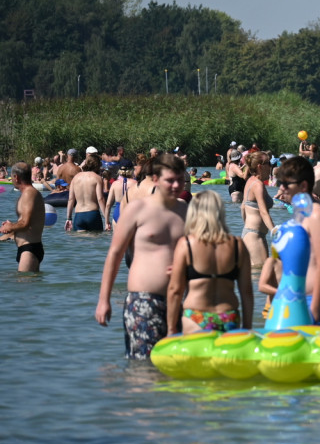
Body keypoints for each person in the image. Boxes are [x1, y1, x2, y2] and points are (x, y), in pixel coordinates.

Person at [94, 153, 188, 359]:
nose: (176, 185)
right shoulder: (138, 209)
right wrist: (104, 300)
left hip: (179, 301)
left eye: (180, 180)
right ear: (155, 179)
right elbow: (115, 254)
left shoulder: (188, 211)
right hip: (143, 300)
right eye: (170, 180)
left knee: (175, 367)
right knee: (143, 369)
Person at [166, 191, 254, 333]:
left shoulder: (186, 244)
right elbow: (247, 291)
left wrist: (171, 329)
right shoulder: (238, 244)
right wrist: (247, 327)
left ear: (194, 213)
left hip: (196, 317)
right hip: (229, 317)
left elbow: (175, 290)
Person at [273, 157, 320, 325]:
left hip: (313, 301)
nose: (281, 188)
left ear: (303, 186)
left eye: (286, 184)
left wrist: (315, 308)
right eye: (280, 183)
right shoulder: (298, 215)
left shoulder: (315, 215)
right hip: (294, 300)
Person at [1, 162, 46, 271]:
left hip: (29, 249)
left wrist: (10, 227)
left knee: (21, 284)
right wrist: (11, 225)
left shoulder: (29, 194)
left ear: (16, 177)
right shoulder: (27, 194)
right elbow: (25, 221)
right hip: (27, 248)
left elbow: (25, 224)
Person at [241, 151, 274, 269]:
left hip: (253, 234)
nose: (271, 166)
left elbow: (243, 207)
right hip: (254, 236)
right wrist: (274, 231)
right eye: (268, 163)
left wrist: (247, 228)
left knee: (259, 275)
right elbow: (263, 212)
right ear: (260, 166)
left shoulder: (251, 181)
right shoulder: (258, 185)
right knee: (261, 274)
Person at [104, 165, 136, 231]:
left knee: (116, 240)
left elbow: (108, 205)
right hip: (131, 213)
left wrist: (107, 222)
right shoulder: (135, 183)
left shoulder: (115, 184)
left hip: (117, 213)